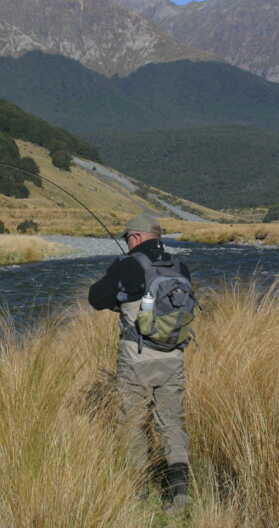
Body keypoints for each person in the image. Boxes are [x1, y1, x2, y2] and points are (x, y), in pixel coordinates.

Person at [88, 214, 192, 508]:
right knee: (172, 421)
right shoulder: (179, 266)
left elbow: (96, 299)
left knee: (132, 421)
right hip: (174, 356)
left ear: (135, 237)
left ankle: (140, 493)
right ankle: (180, 492)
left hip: (136, 357)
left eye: (127, 239)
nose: (127, 243)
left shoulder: (128, 265)